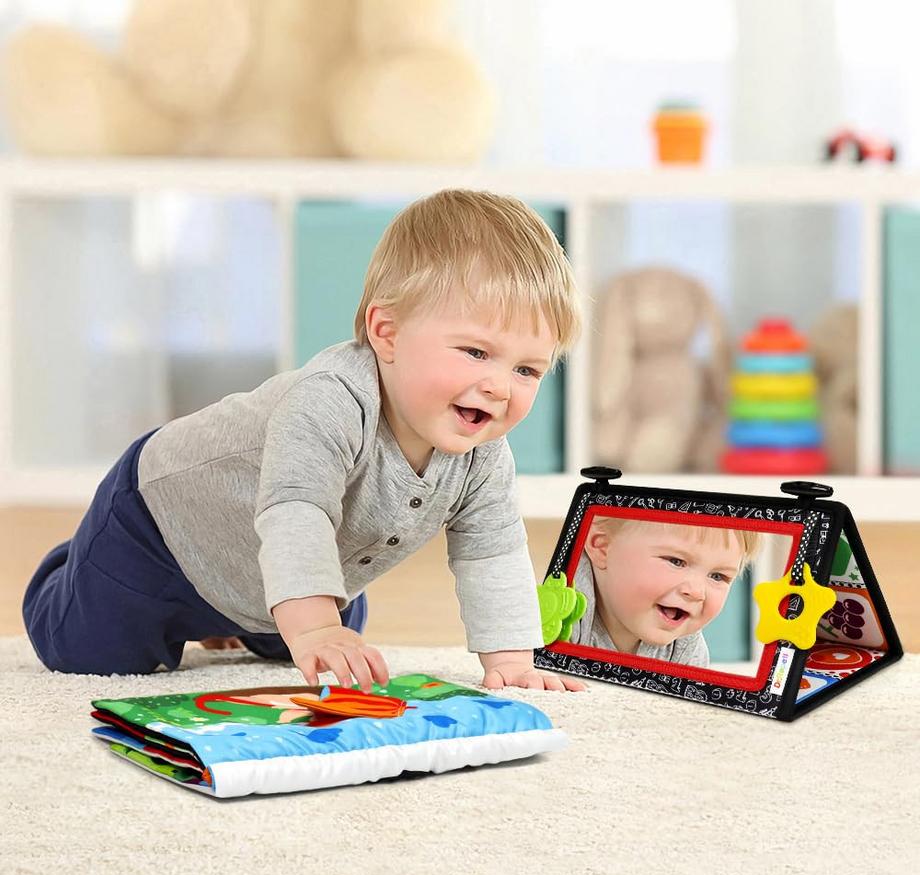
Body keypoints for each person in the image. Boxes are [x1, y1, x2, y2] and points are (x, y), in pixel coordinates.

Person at [23, 189, 585, 693]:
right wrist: (316, 626)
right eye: (477, 352)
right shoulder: (331, 400)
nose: (498, 386)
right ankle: (75, 565)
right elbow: (297, 512)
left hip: (265, 562)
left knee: (328, 640)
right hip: (160, 526)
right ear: (386, 334)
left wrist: (511, 657)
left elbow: (493, 549)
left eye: (528, 371)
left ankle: (242, 617)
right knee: (90, 653)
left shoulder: (484, 456)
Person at [570, 516, 762, 667]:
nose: (696, 592)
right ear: (602, 546)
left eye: (717, 576)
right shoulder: (565, 613)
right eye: (676, 561)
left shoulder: (686, 646)